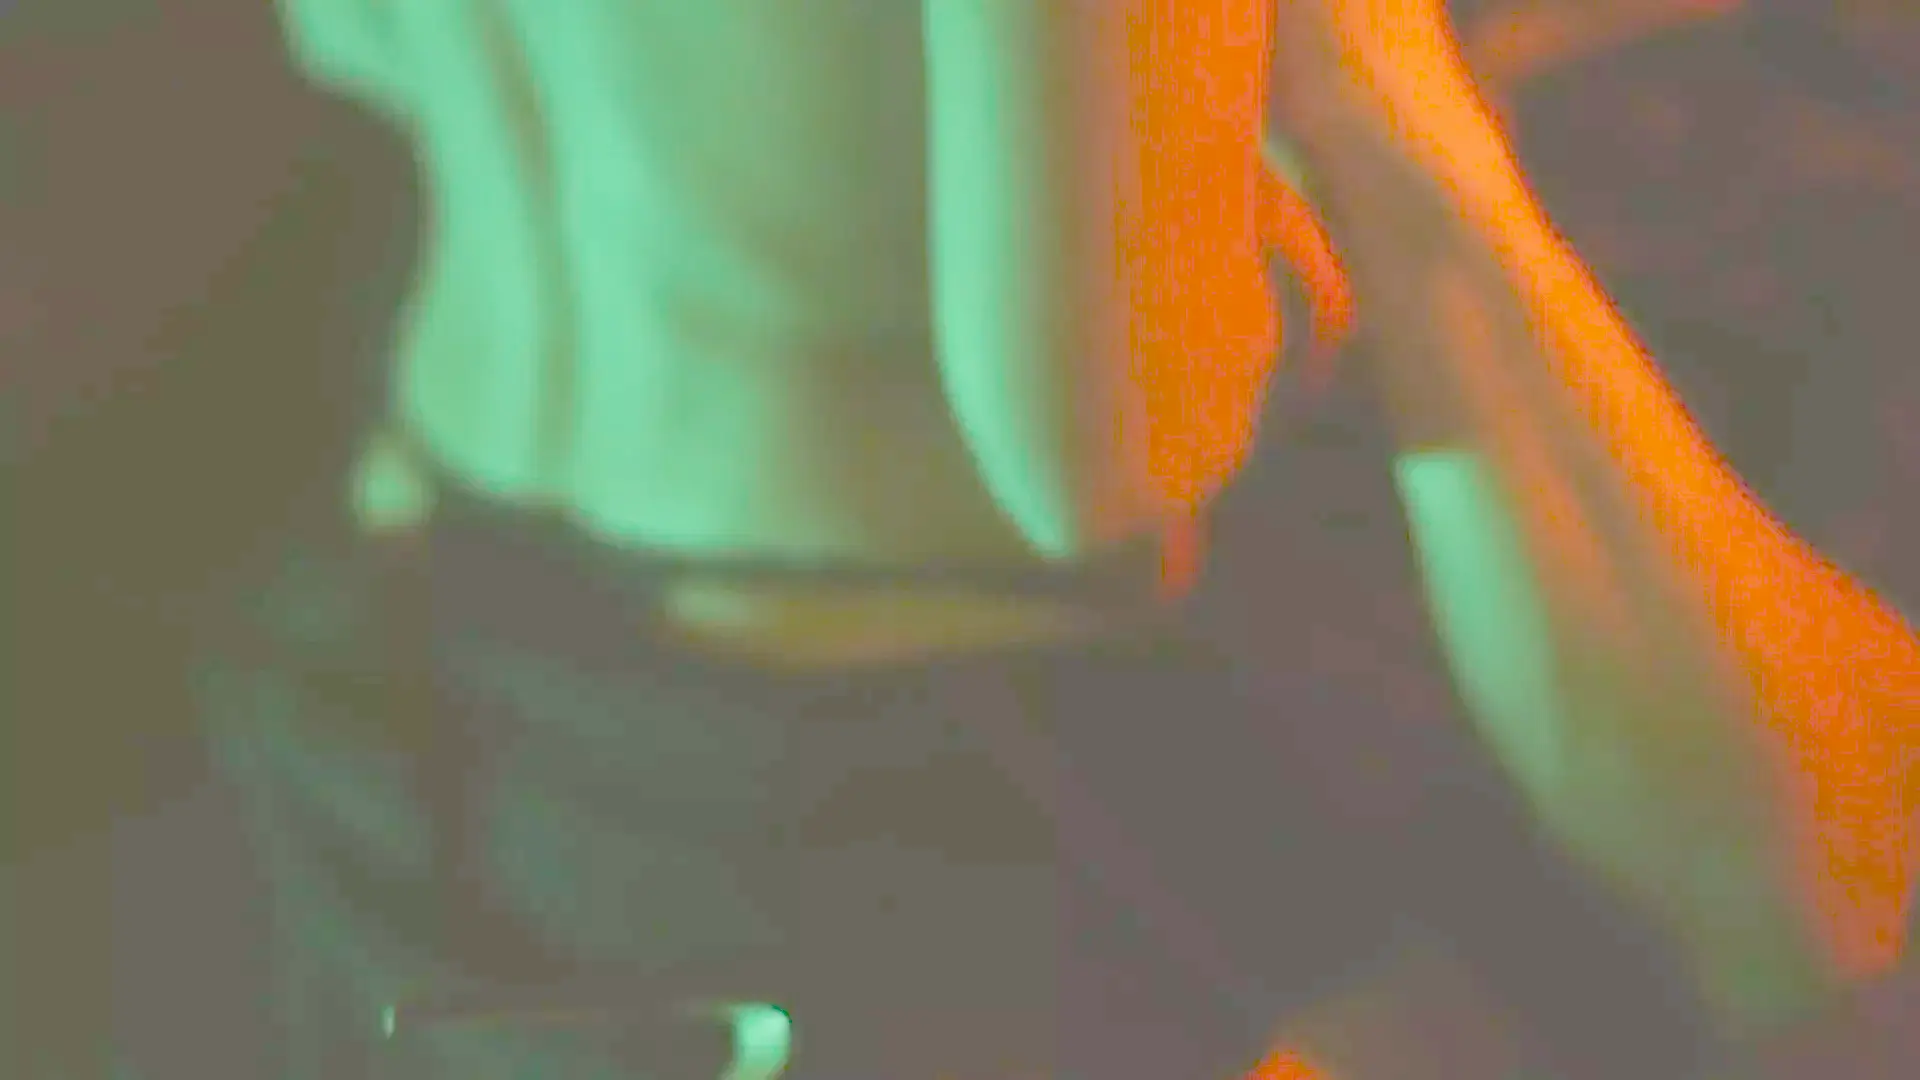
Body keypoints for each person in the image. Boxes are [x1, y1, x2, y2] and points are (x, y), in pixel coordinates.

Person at [126, 1, 1913, 1078]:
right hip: (877, 765)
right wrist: (1293, 266)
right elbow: (1095, 454)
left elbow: (355, 48)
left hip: (455, 593)